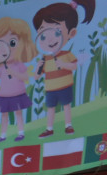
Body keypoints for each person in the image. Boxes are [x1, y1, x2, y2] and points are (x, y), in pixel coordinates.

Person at [33, 0, 95, 137]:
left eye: (56, 32)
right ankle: (49, 129)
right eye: (43, 34)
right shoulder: (45, 58)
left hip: (65, 86)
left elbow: (74, 66)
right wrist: (38, 68)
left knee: (66, 106)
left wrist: (64, 64)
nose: (49, 39)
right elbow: (36, 77)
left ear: (71, 33)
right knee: (51, 109)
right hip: (50, 89)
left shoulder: (67, 54)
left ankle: (68, 125)